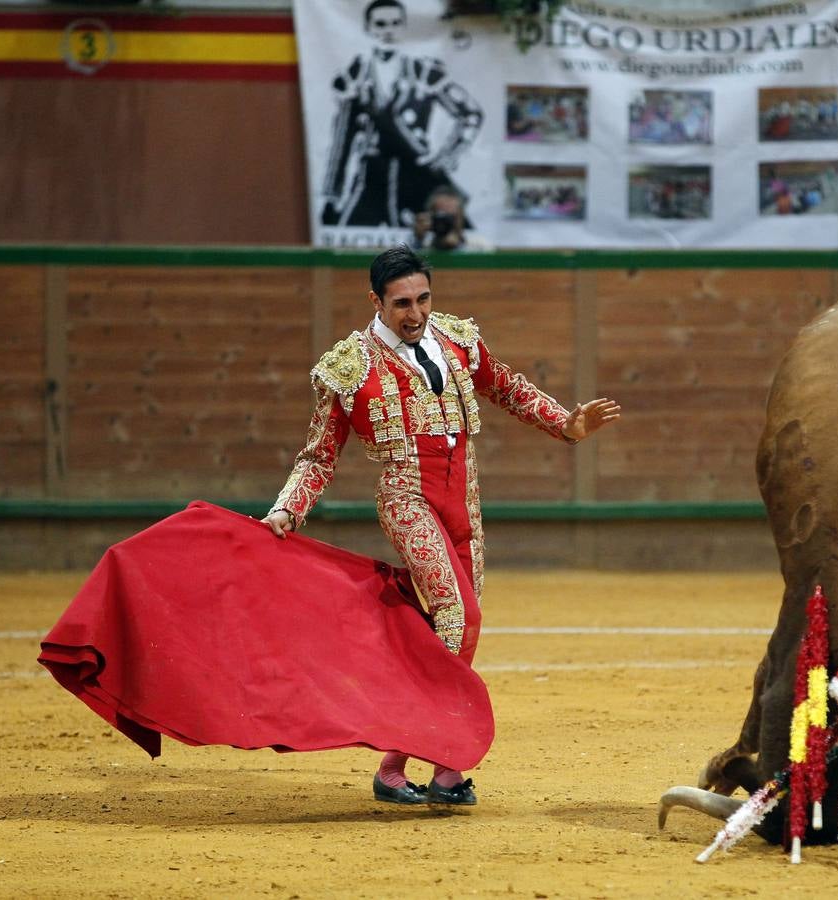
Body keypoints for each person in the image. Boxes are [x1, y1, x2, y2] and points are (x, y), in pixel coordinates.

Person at [262, 244, 620, 806]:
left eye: (423, 298)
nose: (415, 313)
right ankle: (411, 760)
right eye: (402, 302)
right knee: (459, 614)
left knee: (459, 629)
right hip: (407, 497)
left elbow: (507, 386)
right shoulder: (350, 364)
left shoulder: (456, 338)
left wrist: (567, 424)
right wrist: (288, 508)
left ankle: (440, 770)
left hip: (464, 501)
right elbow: (318, 455)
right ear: (376, 300)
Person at [319, 0, 483, 228]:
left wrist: (444, 158)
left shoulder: (423, 72)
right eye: (380, 24)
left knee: (445, 245)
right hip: (372, 176)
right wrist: (332, 194)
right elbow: (342, 138)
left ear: (404, 27)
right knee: (349, 246)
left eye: (395, 23)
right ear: (368, 28)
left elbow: (471, 114)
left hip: (416, 175)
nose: (388, 31)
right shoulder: (356, 77)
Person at [411, 186, 493, 252]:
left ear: (461, 217)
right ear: (431, 218)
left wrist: (458, 247)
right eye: (442, 217)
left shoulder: (480, 247)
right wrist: (418, 240)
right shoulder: (422, 248)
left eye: (452, 217)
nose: (447, 223)